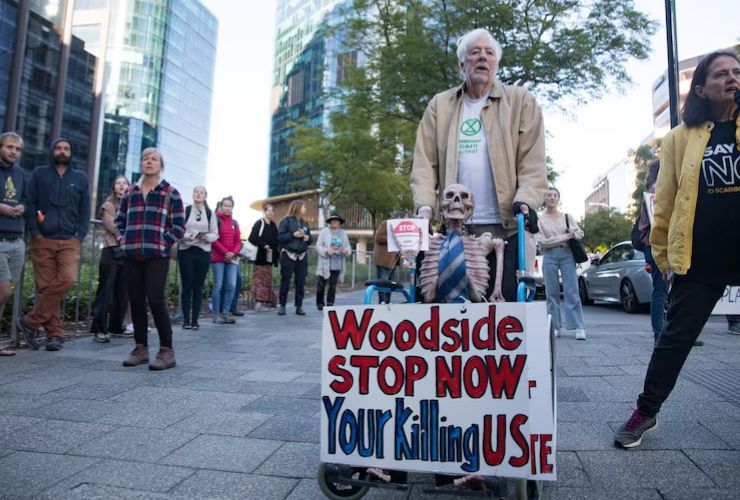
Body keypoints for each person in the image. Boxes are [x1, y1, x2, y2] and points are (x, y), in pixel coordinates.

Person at [615, 50, 740, 449]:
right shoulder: (679, 139)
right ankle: (645, 412)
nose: (731, 78)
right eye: (721, 74)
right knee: (674, 339)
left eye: (737, 72)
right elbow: (664, 202)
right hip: (701, 257)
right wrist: (664, 257)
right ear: (701, 87)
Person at [410, 28, 547, 301]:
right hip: (453, 227)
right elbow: (424, 163)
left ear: (496, 63)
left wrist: (526, 201)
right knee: (445, 313)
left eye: (489, 53)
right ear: (462, 64)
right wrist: (424, 207)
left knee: (502, 315)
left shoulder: (521, 102)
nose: (482, 57)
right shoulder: (440, 105)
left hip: (506, 229)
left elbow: (533, 164)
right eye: (474, 52)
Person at [17, 138, 90, 351]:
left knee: (67, 279)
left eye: (66, 148)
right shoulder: (40, 174)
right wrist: (36, 232)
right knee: (47, 288)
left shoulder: (80, 178)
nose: (62, 151)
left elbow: (85, 209)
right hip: (43, 239)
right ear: (52, 151)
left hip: (69, 240)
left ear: (71, 153)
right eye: (58, 148)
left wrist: (81, 234)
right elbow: (30, 203)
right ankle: (55, 335)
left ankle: (30, 322)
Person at [116, 148, 184, 370]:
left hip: (157, 254)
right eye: (145, 158)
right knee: (135, 301)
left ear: (161, 165)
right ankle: (140, 348)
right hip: (132, 252)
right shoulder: (130, 193)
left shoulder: (170, 193)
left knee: (155, 299)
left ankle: (167, 351)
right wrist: (121, 238)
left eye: (154, 159)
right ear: (141, 164)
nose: (149, 161)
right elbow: (120, 220)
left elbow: (179, 226)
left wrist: (163, 241)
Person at [535, 187, 587, 340]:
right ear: (545, 199)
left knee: (572, 291)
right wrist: (565, 236)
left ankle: (579, 327)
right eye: (549, 195)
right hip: (549, 256)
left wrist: (571, 233)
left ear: (558, 199)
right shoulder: (540, 220)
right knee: (551, 292)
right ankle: (555, 327)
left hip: (567, 254)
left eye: (555, 195)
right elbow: (542, 242)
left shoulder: (566, 216)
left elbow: (579, 233)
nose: (552, 197)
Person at [90, 175, 130, 342]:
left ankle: (116, 325)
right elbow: (112, 226)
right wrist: (131, 235)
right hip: (111, 250)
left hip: (127, 252)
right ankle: (99, 328)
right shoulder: (108, 205)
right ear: (114, 187)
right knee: (105, 291)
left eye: (124, 183)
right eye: (118, 183)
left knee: (122, 291)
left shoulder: (132, 205)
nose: (121, 186)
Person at [0, 132, 26, 356]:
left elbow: (27, 199)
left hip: (16, 240)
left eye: (17, 149)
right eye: (9, 147)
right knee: (3, 290)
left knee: (4, 293)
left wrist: (22, 208)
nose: (13, 152)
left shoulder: (20, 173)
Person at [178, 186, 217, 330]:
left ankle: (195, 320)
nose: (198, 194)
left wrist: (206, 237)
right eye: (196, 192)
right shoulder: (186, 211)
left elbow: (215, 234)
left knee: (198, 287)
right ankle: (186, 320)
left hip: (203, 251)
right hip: (187, 250)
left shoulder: (209, 213)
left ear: (205, 196)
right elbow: (178, 230)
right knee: (187, 284)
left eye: (201, 192)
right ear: (192, 195)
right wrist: (188, 236)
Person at [277, 199, 311, 315]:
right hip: (288, 255)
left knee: (300, 282)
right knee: (285, 280)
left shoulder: (305, 223)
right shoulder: (286, 221)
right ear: (297, 208)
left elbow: (310, 239)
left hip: (302, 256)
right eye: (304, 207)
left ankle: (299, 306)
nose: (305, 209)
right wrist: (293, 235)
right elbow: (280, 237)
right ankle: (282, 306)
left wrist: (308, 239)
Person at [211, 196, 240, 324]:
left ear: (232, 207)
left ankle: (226, 312)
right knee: (218, 285)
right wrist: (225, 252)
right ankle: (216, 314)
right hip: (218, 258)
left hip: (232, 258)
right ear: (221, 206)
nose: (227, 208)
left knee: (231, 285)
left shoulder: (235, 223)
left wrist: (233, 253)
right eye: (225, 205)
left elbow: (238, 241)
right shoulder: (215, 220)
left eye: (229, 206)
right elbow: (213, 239)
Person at [315, 213, 352, 310]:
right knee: (321, 284)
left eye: (337, 221)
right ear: (330, 222)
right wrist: (326, 252)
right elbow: (318, 246)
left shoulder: (343, 233)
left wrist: (346, 251)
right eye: (333, 220)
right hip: (325, 262)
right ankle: (320, 303)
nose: (335, 222)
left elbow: (348, 247)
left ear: (339, 222)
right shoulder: (324, 232)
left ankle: (330, 303)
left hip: (337, 262)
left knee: (333, 285)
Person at [248, 203, 279, 312]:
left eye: (272, 211)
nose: (270, 213)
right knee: (259, 280)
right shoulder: (259, 223)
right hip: (260, 257)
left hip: (269, 259)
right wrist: (263, 244)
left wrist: (276, 257)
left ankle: (265, 303)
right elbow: (252, 238)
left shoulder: (274, 225)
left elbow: (276, 242)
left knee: (267, 281)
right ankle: (258, 303)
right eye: (268, 210)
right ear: (264, 212)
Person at [373, 214, 400, 304]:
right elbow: (378, 237)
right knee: (383, 283)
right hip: (383, 260)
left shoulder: (399, 228)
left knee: (390, 284)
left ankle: (387, 302)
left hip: (392, 261)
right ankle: (382, 302)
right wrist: (393, 238)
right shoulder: (385, 224)